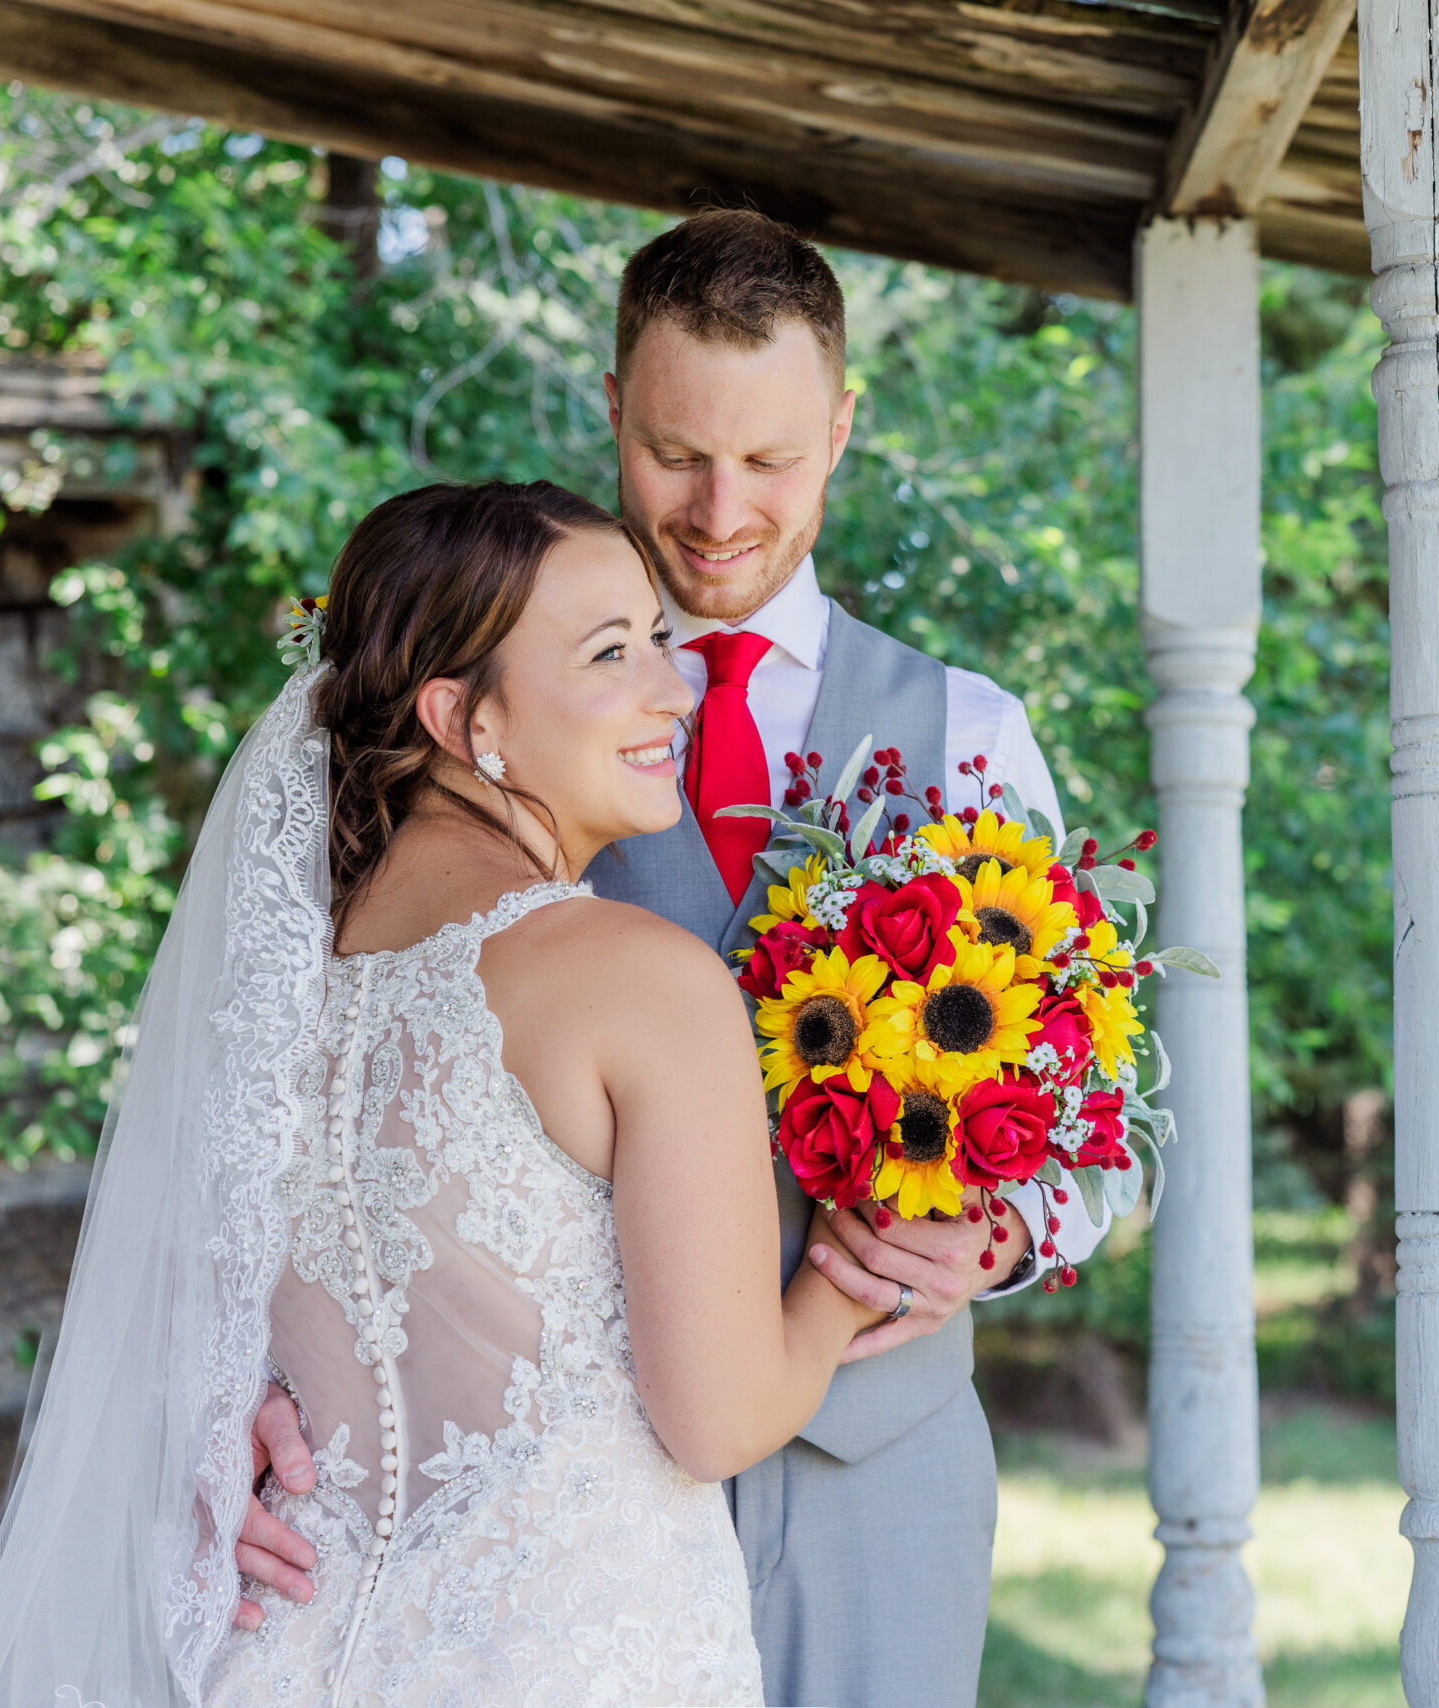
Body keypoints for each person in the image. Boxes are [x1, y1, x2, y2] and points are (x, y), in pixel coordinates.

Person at [238, 210, 1112, 1707]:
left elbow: (1115, 1117)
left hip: (870, 1469)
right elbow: (313, 1101)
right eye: (674, 453)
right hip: (547, 1505)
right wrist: (275, 1396)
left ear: (842, 426)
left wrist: (1016, 1231)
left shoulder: (972, 736)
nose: (717, 511)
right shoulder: (463, 712)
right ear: (612, 413)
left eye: (770, 461)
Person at [0, 479, 890, 1705]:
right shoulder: (639, 981)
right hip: (574, 1659)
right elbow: (720, 1421)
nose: (674, 691)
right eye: (610, 653)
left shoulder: (271, 982)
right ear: (461, 715)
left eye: (658, 642)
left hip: (286, 1653)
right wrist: (850, 1271)